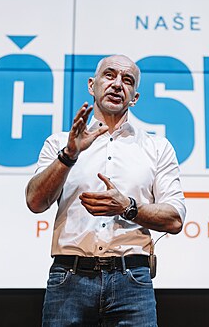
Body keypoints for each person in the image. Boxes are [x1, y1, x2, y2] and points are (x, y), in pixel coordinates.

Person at [26, 54, 186, 326]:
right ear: (92, 85)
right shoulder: (60, 144)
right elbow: (35, 202)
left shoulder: (157, 148)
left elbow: (175, 219)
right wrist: (69, 155)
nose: (117, 84)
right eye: (109, 75)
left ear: (134, 98)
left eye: (127, 80)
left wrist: (128, 207)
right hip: (70, 278)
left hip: (132, 281)